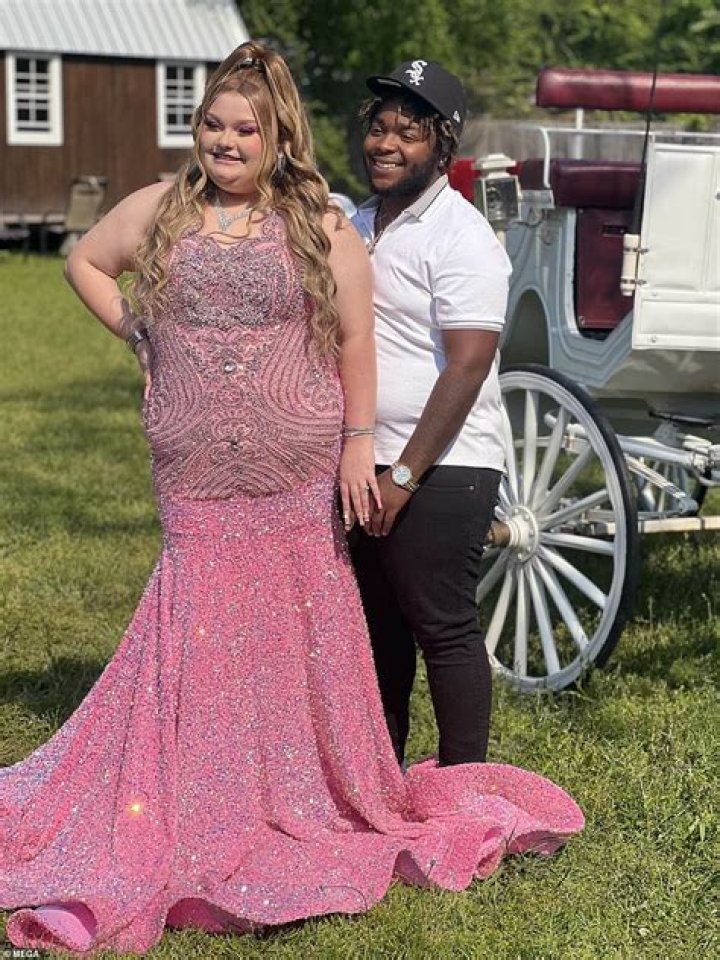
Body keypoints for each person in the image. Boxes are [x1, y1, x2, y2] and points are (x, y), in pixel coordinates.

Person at [0, 42, 582, 957]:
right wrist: (145, 339)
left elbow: (370, 342)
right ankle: (207, 782)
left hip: (333, 465)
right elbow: (88, 264)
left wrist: (367, 448)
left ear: (278, 138)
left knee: (343, 620)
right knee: (227, 618)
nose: (227, 142)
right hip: (201, 471)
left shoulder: (344, 222)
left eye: (247, 129)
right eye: (214, 125)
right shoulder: (191, 207)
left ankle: (335, 782)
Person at [350, 60, 510, 768]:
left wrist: (406, 475)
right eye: (379, 128)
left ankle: (463, 786)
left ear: (443, 146)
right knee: (378, 631)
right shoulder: (356, 224)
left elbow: (468, 364)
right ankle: (381, 781)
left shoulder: (461, 236)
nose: (386, 144)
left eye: (408, 133)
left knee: (441, 627)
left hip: (443, 466)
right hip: (363, 459)